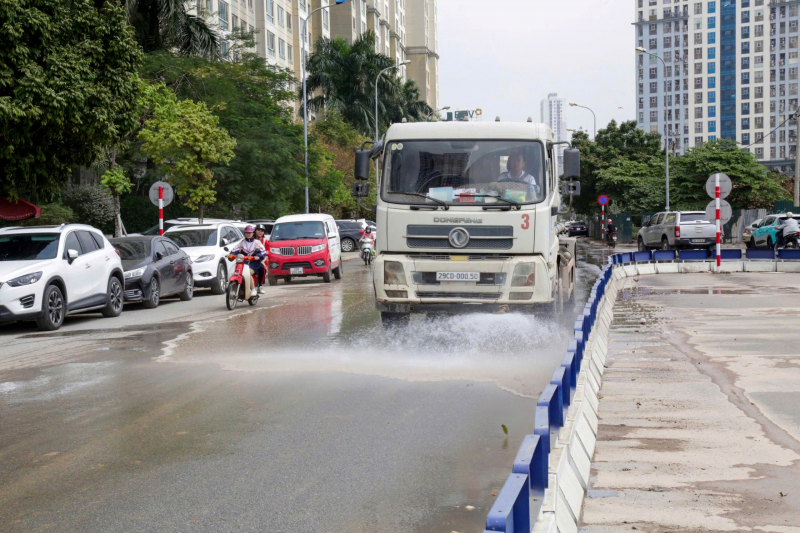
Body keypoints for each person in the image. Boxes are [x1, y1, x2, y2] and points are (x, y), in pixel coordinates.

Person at [230, 225, 267, 294]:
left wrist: (258, 256)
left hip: (254, 264)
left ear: (253, 233)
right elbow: (234, 250)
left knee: (247, 273)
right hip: (242, 263)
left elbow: (263, 252)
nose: (248, 234)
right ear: (245, 233)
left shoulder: (257, 242)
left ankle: (253, 289)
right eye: (247, 233)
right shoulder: (241, 243)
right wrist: (231, 255)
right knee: (236, 272)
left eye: (250, 233)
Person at [254, 224, 269, 292]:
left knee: (263, 268)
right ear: (255, 231)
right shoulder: (252, 240)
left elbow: (268, 253)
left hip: (263, 259)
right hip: (252, 259)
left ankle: (260, 285)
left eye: (262, 231)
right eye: (258, 230)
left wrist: (263, 261)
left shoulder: (265, 241)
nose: (260, 232)